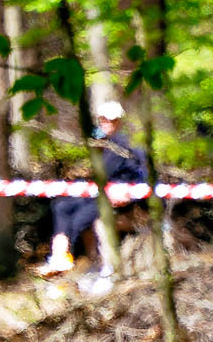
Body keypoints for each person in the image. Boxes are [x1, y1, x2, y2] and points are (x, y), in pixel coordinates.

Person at [38, 101, 151, 278]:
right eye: (104, 119)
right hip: (100, 193)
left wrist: (130, 195)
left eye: (111, 120)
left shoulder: (123, 144)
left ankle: (86, 262)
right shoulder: (102, 143)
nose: (107, 123)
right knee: (61, 206)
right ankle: (59, 256)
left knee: (80, 219)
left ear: (119, 121)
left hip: (122, 200)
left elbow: (110, 172)